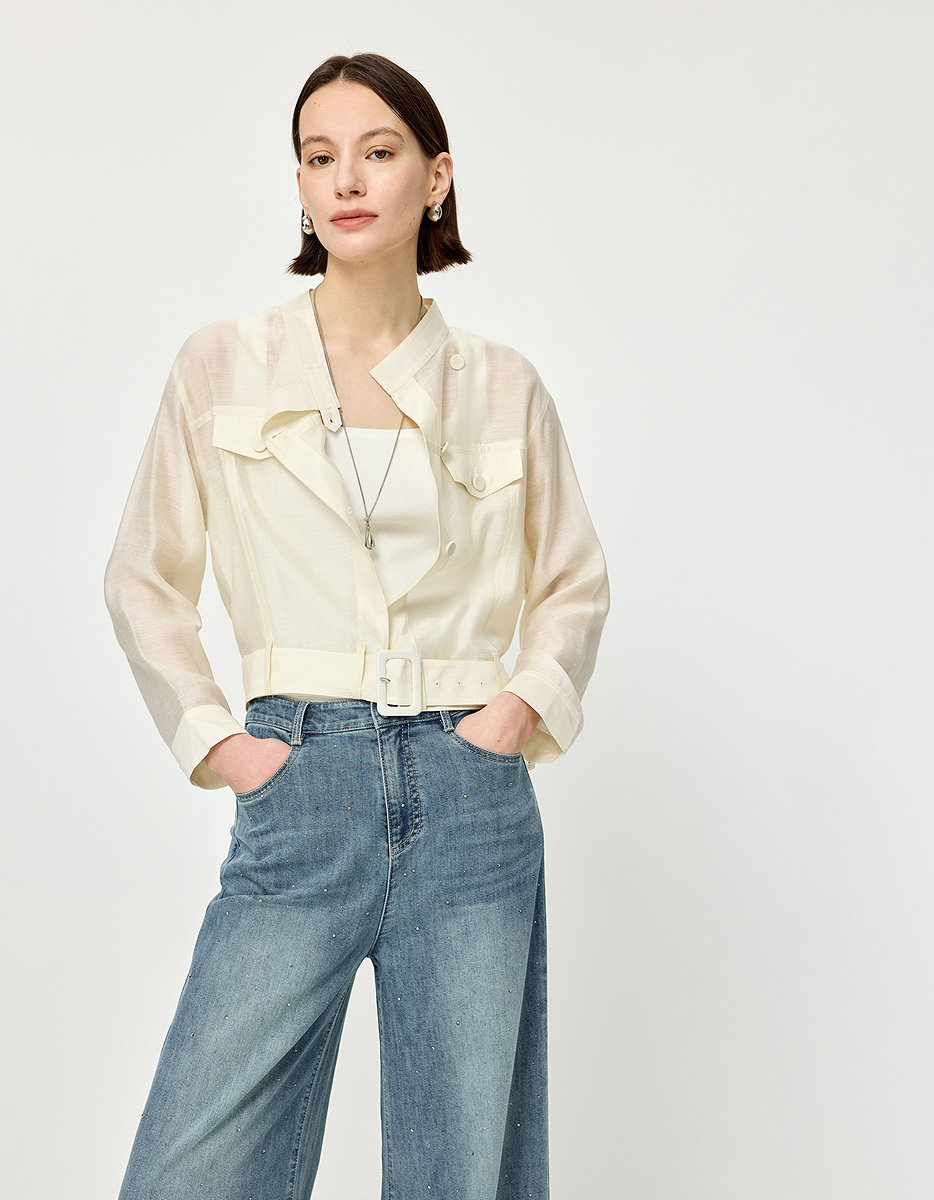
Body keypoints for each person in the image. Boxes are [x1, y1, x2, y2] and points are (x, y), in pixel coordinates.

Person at [104, 50, 609, 1200]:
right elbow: (143, 578)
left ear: (435, 177)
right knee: (189, 1169)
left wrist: (513, 713)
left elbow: (574, 583)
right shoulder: (223, 365)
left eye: (378, 152)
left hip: (470, 795)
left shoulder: (504, 384)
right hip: (302, 781)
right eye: (319, 156)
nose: (347, 179)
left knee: (458, 1172)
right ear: (297, 184)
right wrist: (223, 744)